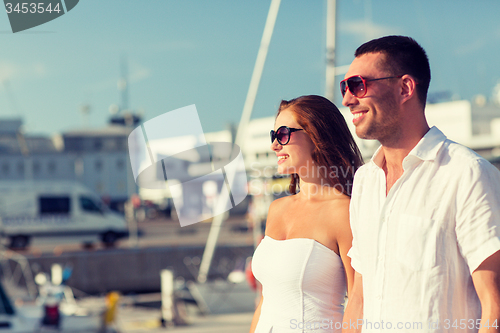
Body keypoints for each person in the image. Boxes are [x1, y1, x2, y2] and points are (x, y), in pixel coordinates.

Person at [341, 35, 500, 333]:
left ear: (404, 88)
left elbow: (495, 303)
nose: (348, 99)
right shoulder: (365, 181)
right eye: (344, 87)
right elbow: (360, 298)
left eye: (358, 85)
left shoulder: (465, 173)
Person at [249, 95, 364, 333]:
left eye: (282, 134)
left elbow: (358, 302)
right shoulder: (276, 209)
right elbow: (265, 300)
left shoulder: (344, 211)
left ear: (316, 136)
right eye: (274, 136)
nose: (274, 145)